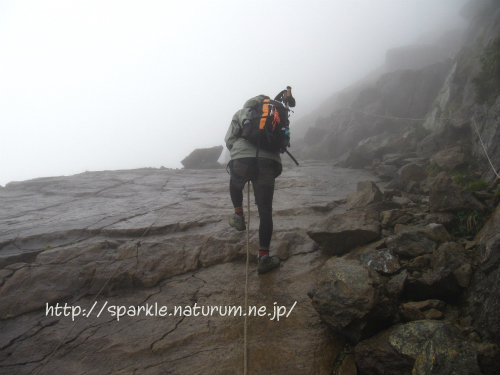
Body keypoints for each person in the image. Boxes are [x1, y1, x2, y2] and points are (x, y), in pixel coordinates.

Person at [225, 88, 295, 274]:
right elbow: (283, 142)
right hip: (268, 163)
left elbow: (230, 139)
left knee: (235, 181)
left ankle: (239, 216)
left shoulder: (243, 112)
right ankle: (263, 258)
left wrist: (239, 154)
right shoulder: (278, 114)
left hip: (242, 159)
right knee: (265, 213)